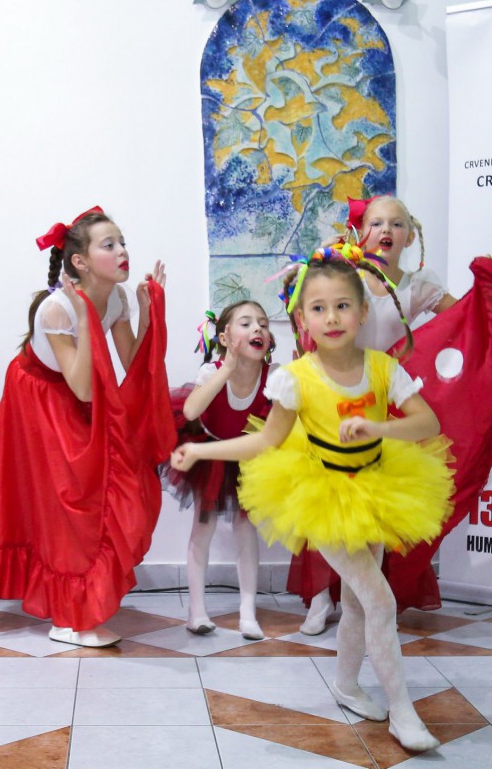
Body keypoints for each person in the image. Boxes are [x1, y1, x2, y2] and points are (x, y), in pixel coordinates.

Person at [171, 244, 454, 752]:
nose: (332, 318)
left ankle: (346, 685)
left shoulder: (383, 368)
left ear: (362, 312)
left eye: (343, 306)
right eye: (319, 308)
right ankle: (402, 711)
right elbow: (266, 440)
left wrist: (378, 427)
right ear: (301, 319)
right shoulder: (294, 378)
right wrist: (200, 450)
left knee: (359, 602)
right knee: (380, 599)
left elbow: (427, 423)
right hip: (322, 496)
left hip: (379, 487)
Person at [0, 207, 175, 647]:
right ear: (80, 262)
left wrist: (149, 315)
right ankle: (67, 617)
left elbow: (132, 364)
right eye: (109, 245)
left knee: (104, 486)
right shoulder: (57, 309)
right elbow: (83, 388)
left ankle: (78, 605)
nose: (122, 251)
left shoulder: (118, 297)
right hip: (40, 397)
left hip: (77, 390)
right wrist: (86, 318)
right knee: (69, 500)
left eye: (122, 242)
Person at [293, 194, 456, 633]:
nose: (386, 231)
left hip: (383, 400)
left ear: (410, 236)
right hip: (333, 395)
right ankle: (319, 595)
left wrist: (491, 283)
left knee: (371, 510)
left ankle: (367, 597)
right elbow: (311, 308)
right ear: (361, 231)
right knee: (325, 501)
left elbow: (465, 318)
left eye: (396, 224)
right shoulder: (348, 277)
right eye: (377, 222)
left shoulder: (419, 286)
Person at [162, 301, 275, 640]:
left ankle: (248, 611)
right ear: (224, 338)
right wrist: (227, 368)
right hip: (209, 448)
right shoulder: (212, 371)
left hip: (248, 453)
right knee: (203, 526)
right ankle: (196, 611)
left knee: (245, 527)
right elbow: (192, 410)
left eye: (263, 323)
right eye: (246, 323)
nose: (257, 328)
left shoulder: (274, 375)